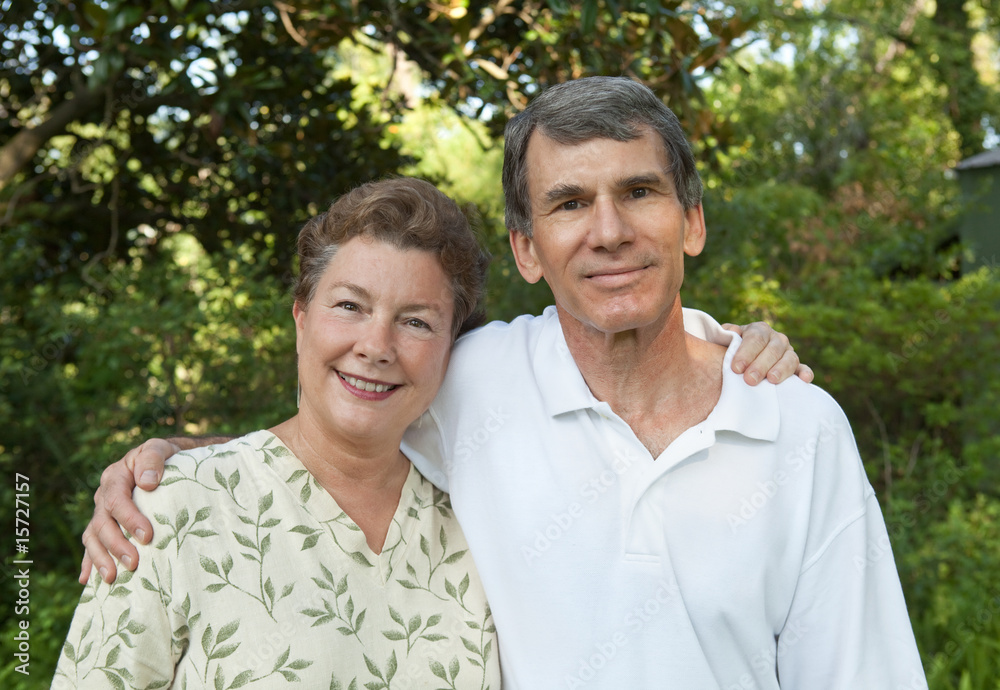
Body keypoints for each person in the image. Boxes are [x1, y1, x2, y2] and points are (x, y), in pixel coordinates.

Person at [81, 76, 913, 689]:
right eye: (568, 204)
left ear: (690, 221)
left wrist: (747, 348)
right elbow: (337, 432)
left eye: (639, 192)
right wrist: (171, 467)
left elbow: (859, 670)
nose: (610, 232)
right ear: (526, 249)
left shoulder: (796, 426)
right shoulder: (474, 380)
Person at [53, 178, 502, 688]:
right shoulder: (174, 507)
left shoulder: (479, 523)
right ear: (301, 320)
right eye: (350, 306)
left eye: (417, 322)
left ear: (453, 348)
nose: (376, 346)